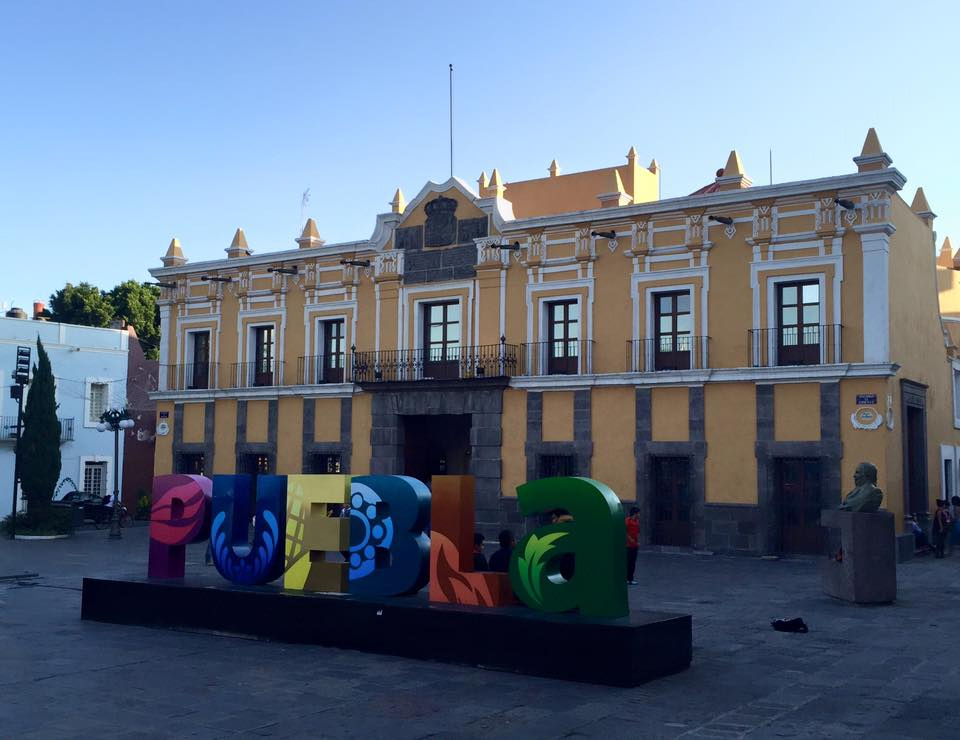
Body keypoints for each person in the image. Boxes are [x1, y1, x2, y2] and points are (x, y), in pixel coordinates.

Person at [625, 506, 640, 585]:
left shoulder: (637, 521)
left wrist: (637, 541)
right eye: (638, 513)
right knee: (628, 562)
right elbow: (624, 531)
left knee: (633, 563)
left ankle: (631, 579)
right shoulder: (627, 520)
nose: (639, 515)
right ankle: (626, 578)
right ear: (635, 513)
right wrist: (630, 539)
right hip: (628, 545)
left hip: (635, 545)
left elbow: (637, 532)